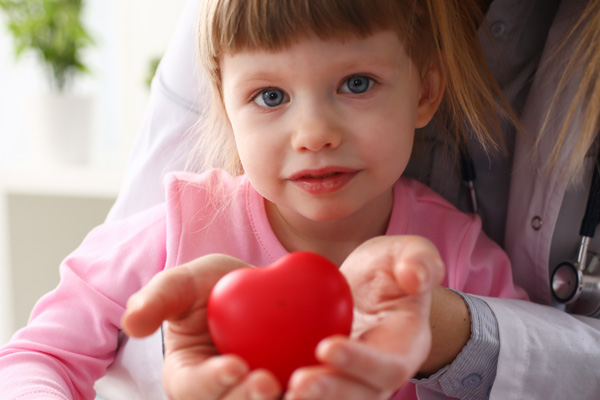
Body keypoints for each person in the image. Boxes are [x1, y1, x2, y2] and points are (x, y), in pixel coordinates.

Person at [0, 0, 529, 399]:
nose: (314, 133)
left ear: (425, 91)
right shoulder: (176, 229)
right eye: (270, 96)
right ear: (226, 105)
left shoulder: (455, 258)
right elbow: (34, 357)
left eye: (357, 83)